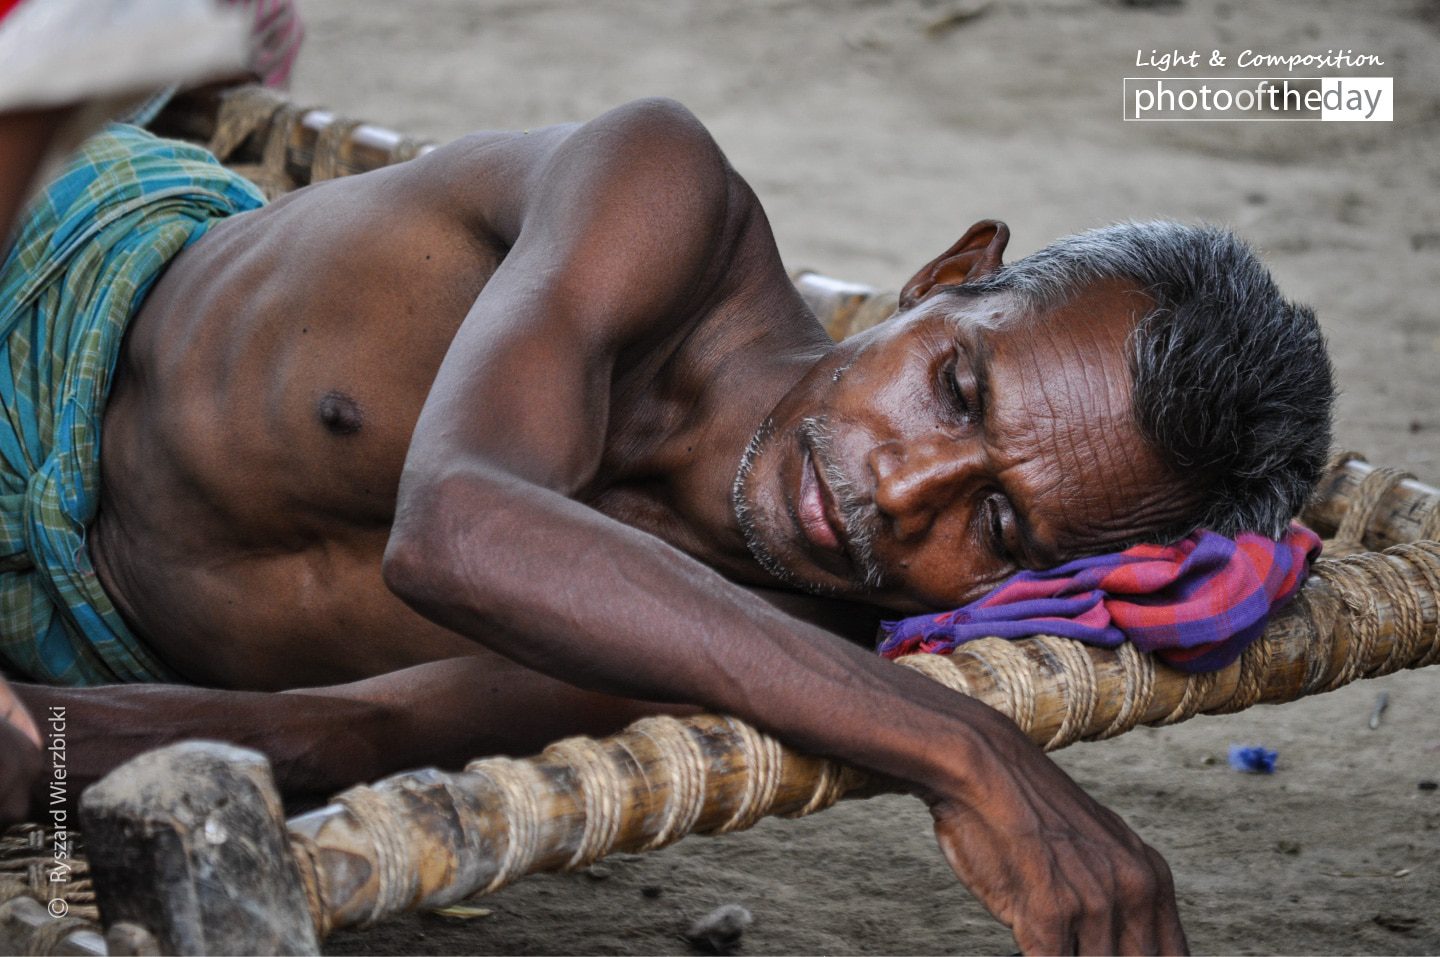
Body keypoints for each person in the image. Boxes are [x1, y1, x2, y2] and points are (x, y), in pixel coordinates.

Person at [0, 97, 1334, 953]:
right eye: (956, 385)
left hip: (77, 640)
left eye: (995, 523)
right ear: (945, 279)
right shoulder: (664, 197)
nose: (901, 485)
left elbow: (346, 732)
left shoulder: (775, 644)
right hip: (41, 289)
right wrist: (969, 750)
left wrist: (34, 741)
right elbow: (458, 526)